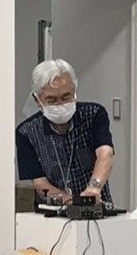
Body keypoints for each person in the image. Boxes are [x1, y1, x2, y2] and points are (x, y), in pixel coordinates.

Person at [16, 59, 115, 205]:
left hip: (98, 205)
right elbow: (40, 183)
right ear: (37, 100)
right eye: (51, 100)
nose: (60, 104)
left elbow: (105, 153)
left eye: (66, 97)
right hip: (54, 211)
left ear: (74, 92)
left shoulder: (94, 114)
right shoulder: (26, 133)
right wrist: (73, 202)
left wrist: (94, 189)